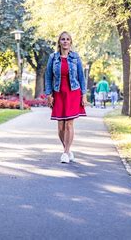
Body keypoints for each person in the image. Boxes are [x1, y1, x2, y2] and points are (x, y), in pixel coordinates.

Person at [45, 31, 87, 164]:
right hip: (58, 92)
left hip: (73, 92)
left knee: (69, 123)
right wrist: (49, 94)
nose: (65, 41)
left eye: (67, 39)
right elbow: (48, 77)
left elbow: (81, 76)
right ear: (59, 42)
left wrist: (84, 95)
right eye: (63, 39)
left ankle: (65, 152)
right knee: (60, 126)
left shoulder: (75, 57)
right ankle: (67, 150)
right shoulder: (53, 57)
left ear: (70, 42)